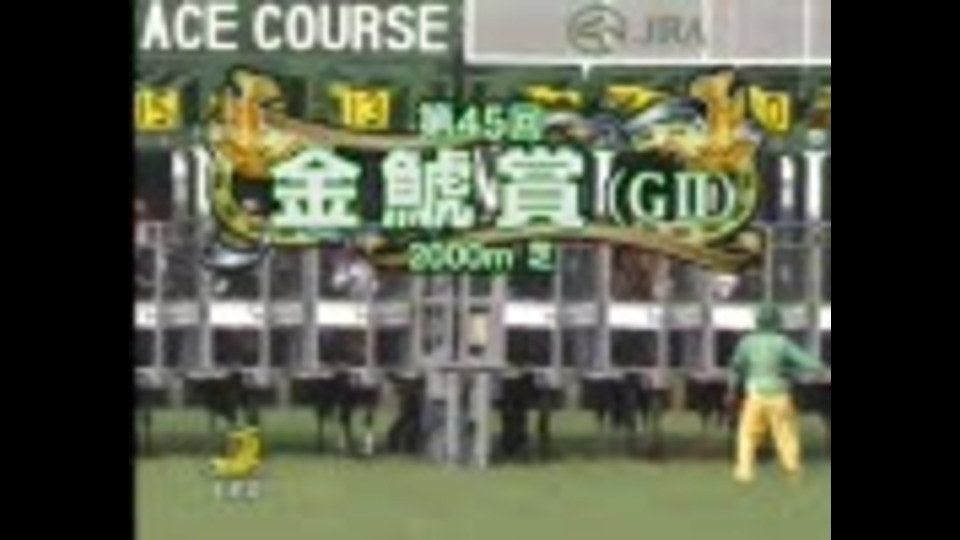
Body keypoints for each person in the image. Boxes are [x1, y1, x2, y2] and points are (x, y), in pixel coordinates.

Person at [727, 304, 829, 483]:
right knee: (785, 434)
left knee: (748, 434)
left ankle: (744, 472)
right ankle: (792, 470)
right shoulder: (782, 342)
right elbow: (803, 360)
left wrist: (731, 390)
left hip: (755, 395)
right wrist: (823, 369)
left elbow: (736, 368)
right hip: (779, 396)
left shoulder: (747, 342)